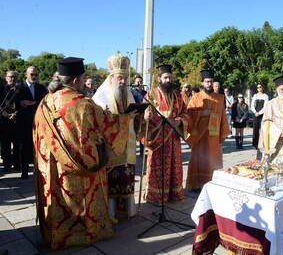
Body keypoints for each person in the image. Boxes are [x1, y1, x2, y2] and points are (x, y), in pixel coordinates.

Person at [33, 57, 133, 249]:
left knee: (58, 200)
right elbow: (107, 126)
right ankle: (86, 232)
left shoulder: (45, 101)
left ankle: (55, 234)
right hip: (81, 167)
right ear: (76, 81)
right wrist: (127, 118)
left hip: (52, 167)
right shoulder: (82, 104)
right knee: (82, 200)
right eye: (83, 77)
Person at [93, 53, 139, 220]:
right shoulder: (100, 95)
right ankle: (110, 212)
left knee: (126, 175)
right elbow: (100, 121)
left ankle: (127, 211)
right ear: (111, 77)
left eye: (126, 78)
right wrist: (126, 117)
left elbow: (133, 117)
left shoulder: (129, 93)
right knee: (112, 179)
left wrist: (140, 115)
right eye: (120, 77)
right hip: (110, 146)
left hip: (127, 143)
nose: (123, 81)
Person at [143, 64, 188, 205]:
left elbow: (186, 114)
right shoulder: (151, 94)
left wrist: (179, 122)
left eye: (170, 77)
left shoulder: (178, 96)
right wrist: (146, 117)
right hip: (157, 139)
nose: (168, 80)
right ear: (159, 79)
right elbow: (142, 115)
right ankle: (155, 196)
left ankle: (173, 195)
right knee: (158, 168)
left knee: (174, 167)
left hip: (173, 138)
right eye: (165, 77)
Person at [186, 69, 230, 191]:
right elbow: (188, 114)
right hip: (199, 135)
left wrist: (224, 134)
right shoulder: (196, 97)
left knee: (213, 159)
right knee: (198, 159)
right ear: (202, 83)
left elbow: (223, 116)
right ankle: (196, 184)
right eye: (207, 82)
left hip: (214, 136)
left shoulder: (220, 98)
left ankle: (213, 183)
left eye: (211, 82)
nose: (209, 84)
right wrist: (202, 113)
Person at [16, 66, 48, 178]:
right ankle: (24, 171)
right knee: (25, 146)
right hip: (24, 121)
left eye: (36, 74)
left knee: (38, 146)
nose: (34, 77)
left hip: (38, 120)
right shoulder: (19, 88)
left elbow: (46, 101)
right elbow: (13, 102)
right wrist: (20, 103)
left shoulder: (41, 88)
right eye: (31, 74)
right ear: (26, 74)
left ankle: (38, 170)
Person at [0, 71, 20, 172]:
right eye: (10, 77)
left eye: (14, 77)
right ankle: (7, 165)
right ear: (6, 78)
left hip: (17, 120)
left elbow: (21, 103)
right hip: (4, 121)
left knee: (17, 144)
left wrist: (15, 114)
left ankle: (17, 164)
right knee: (5, 144)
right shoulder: (1, 89)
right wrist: (7, 115)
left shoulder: (21, 89)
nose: (12, 78)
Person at [251, 84, 269, 149]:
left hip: (262, 114)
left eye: (260, 87)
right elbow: (252, 105)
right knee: (255, 129)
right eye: (258, 87)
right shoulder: (255, 96)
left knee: (262, 129)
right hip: (255, 113)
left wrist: (260, 112)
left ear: (262, 88)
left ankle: (262, 144)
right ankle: (255, 144)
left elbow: (266, 106)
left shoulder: (265, 96)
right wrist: (255, 112)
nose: (259, 88)